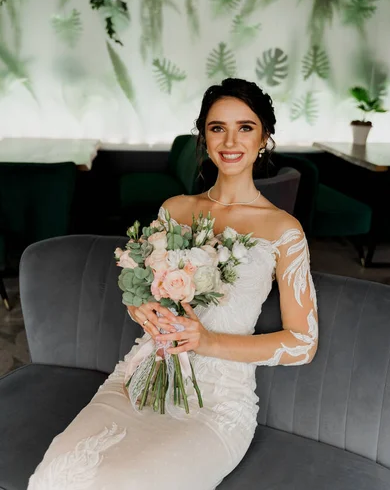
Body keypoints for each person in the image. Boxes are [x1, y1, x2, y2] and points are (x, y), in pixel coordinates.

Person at [28, 78, 318, 490]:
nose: (230, 140)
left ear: (265, 138)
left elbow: (303, 344)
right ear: (203, 135)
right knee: (57, 475)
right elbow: (142, 289)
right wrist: (138, 309)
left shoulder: (283, 230)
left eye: (245, 127)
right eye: (217, 127)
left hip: (215, 403)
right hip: (140, 378)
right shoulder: (175, 210)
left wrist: (207, 341)